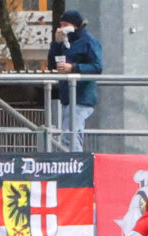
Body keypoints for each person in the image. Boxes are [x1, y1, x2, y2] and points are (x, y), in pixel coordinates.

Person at [47, 10, 103, 152]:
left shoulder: (89, 41)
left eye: (65, 25)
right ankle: (76, 161)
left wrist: (73, 67)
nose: (62, 28)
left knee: (70, 135)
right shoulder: (65, 43)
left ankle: (76, 162)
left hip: (82, 96)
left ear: (75, 25)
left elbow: (97, 67)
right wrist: (56, 44)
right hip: (67, 97)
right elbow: (52, 64)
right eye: (61, 25)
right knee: (72, 134)